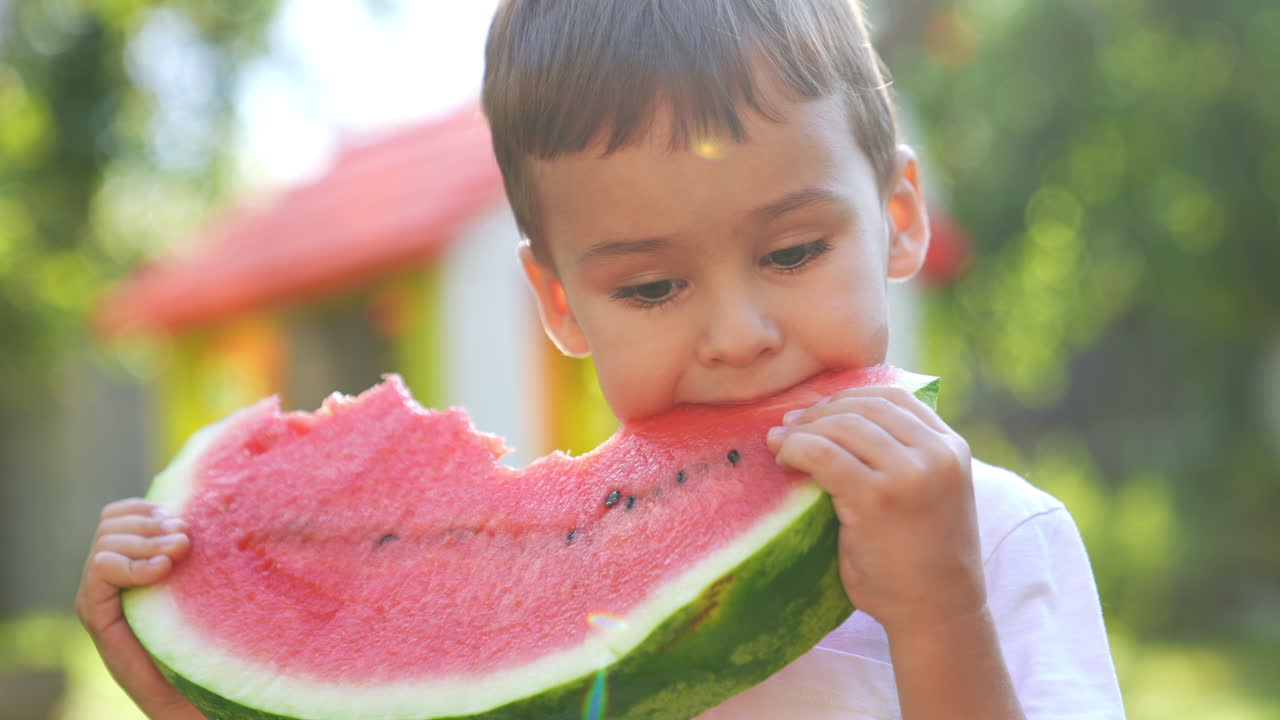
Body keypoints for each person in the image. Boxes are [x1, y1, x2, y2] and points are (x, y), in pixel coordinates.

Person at [76, 1, 1125, 717]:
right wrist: (220, 692)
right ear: (560, 303)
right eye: (651, 287)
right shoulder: (531, 586)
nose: (737, 333)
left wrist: (940, 612)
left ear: (898, 219)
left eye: (793, 250)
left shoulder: (1000, 540)